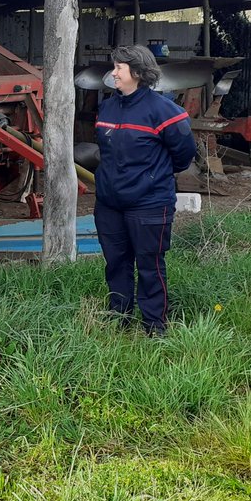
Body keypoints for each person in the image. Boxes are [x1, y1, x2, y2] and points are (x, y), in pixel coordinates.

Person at [94, 44, 196, 336]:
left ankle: (154, 326)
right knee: (116, 262)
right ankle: (119, 318)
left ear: (138, 72)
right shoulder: (108, 107)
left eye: (119, 68)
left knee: (150, 265)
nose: (113, 73)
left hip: (149, 203)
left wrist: (151, 177)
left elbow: (183, 155)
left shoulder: (166, 112)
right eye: (114, 67)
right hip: (110, 203)